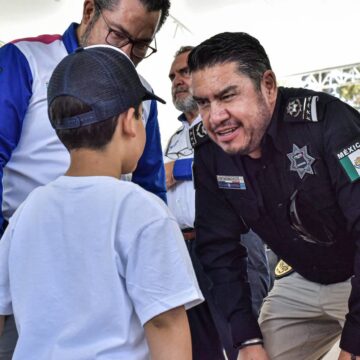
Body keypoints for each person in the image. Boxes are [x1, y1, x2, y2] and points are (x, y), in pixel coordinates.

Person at [0, 45, 203, 360]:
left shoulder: (27, 211)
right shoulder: (141, 209)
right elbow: (165, 323)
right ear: (128, 122)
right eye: (140, 114)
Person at [188, 31, 360, 360]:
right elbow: (219, 248)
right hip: (302, 279)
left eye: (227, 96)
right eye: (204, 102)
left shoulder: (327, 123)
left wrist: (356, 339)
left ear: (268, 85)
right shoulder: (211, 152)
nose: (215, 116)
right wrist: (246, 339)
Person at [165, 45, 270, 360]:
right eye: (172, 76)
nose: (177, 80)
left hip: (230, 243)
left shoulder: (233, 120)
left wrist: (180, 169)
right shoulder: (175, 137)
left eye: (184, 72)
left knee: (246, 340)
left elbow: (243, 167)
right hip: (186, 250)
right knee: (202, 345)